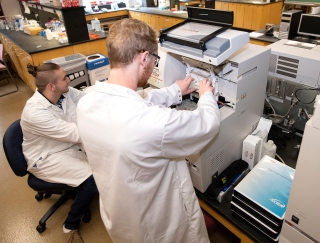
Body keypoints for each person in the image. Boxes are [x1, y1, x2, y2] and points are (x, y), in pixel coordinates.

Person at [77, 19, 220, 243]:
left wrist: (174, 91)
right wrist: (207, 96)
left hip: (120, 218)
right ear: (144, 58)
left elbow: (136, 99)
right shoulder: (151, 123)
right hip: (158, 227)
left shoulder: (86, 103)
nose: (154, 64)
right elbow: (207, 123)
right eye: (155, 59)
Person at [21, 63, 98, 243]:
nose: (69, 80)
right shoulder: (35, 113)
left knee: (102, 163)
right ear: (51, 86)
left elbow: (86, 99)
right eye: (64, 78)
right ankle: (70, 225)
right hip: (47, 157)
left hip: (67, 146)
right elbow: (77, 134)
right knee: (94, 177)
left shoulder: (64, 93)